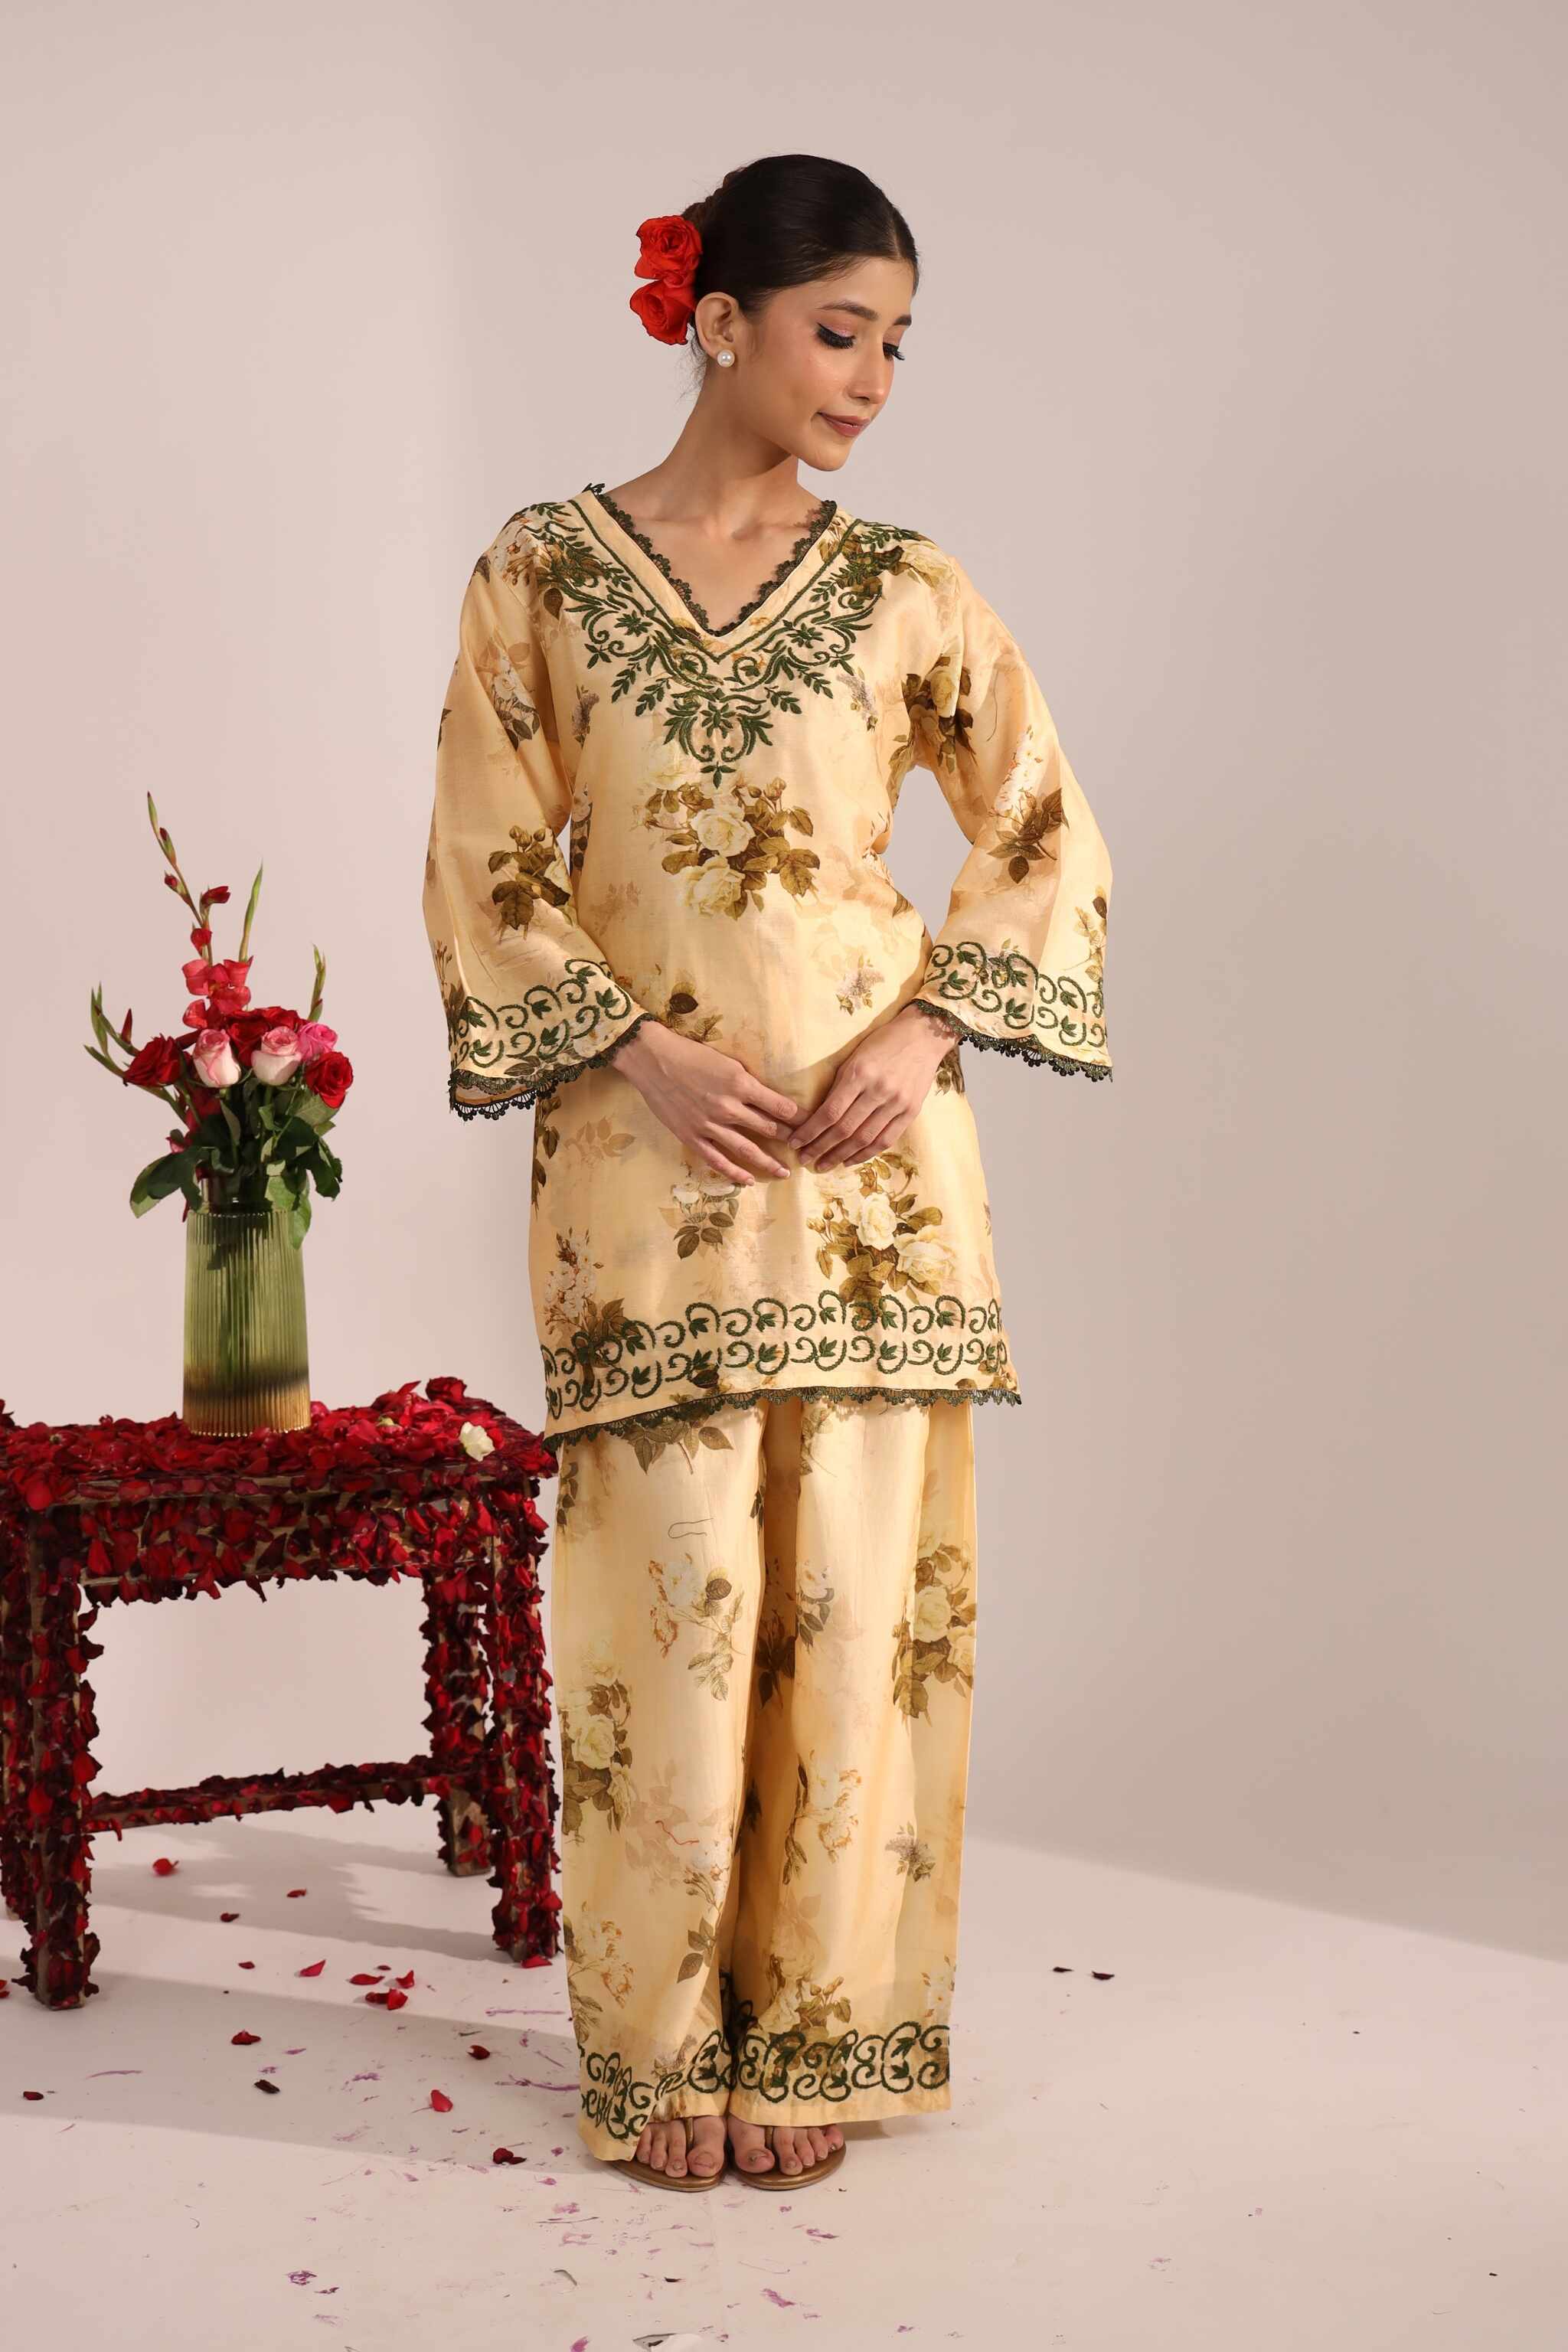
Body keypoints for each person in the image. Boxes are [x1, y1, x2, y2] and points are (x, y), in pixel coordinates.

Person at [421, 152, 1114, 2192]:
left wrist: (927, 1024)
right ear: (717, 319)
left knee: (843, 1603)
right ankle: (658, 2060)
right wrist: (635, 1045)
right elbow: (486, 861)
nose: (876, 378)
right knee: (669, 1606)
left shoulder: (908, 588)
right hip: (643, 1167)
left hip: (877, 1188)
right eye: (842, 330)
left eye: (900, 342)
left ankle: (818, 2042)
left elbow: (1045, 829)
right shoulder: (538, 576)